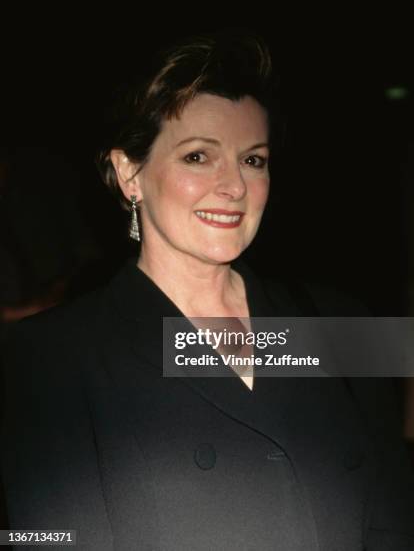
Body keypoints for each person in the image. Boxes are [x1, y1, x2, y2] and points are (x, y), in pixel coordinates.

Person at [1, 31, 414, 550]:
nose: (234, 186)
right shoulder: (50, 358)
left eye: (253, 159)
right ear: (130, 173)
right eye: (198, 156)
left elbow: (395, 523)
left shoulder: (344, 329)